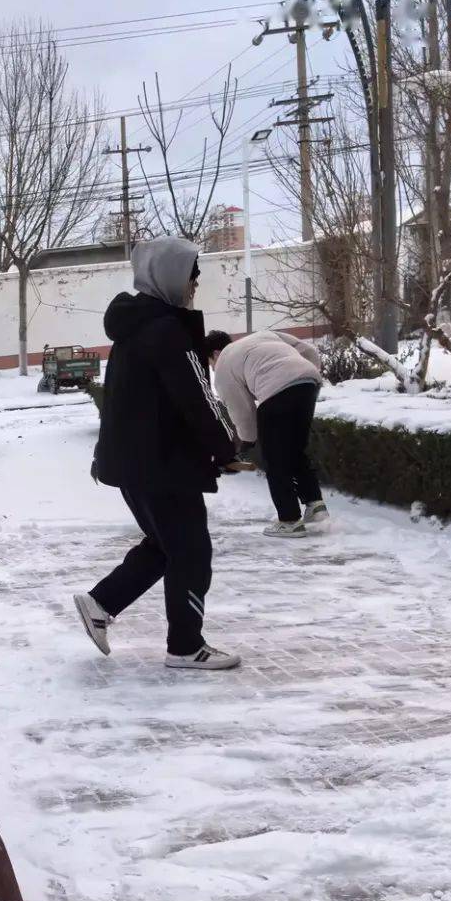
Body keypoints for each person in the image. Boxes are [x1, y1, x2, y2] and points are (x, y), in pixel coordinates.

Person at [74, 238, 240, 671]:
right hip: (164, 465)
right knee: (190, 553)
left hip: (138, 465)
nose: (195, 283)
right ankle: (186, 647)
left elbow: (120, 402)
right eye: (191, 274)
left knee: (167, 547)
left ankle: (100, 602)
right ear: (170, 276)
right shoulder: (167, 331)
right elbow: (199, 400)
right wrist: (229, 447)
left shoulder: (135, 328)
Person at [206, 329, 328, 538]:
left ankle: (289, 520)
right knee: (295, 449)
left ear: (215, 354)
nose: (213, 368)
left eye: (210, 363)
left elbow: (242, 412)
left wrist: (246, 443)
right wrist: (304, 371)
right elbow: (307, 350)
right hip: (308, 382)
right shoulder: (262, 336)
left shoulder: (224, 365)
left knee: (274, 458)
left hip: (276, 390)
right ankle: (315, 506)